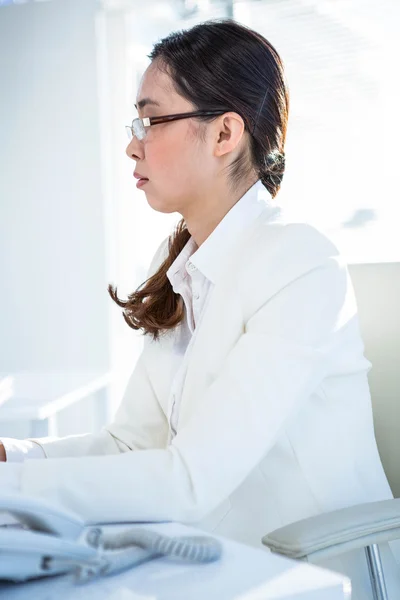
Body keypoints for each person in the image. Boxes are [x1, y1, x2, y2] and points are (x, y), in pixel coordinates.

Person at [1, 19, 397, 597]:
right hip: (219, 560)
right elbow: (129, 444)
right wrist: (16, 458)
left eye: (151, 119)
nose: (132, 143)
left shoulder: (301, 264)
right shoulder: (184, 267)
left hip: (311, 575)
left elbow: (190, 480)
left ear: (223, 134)